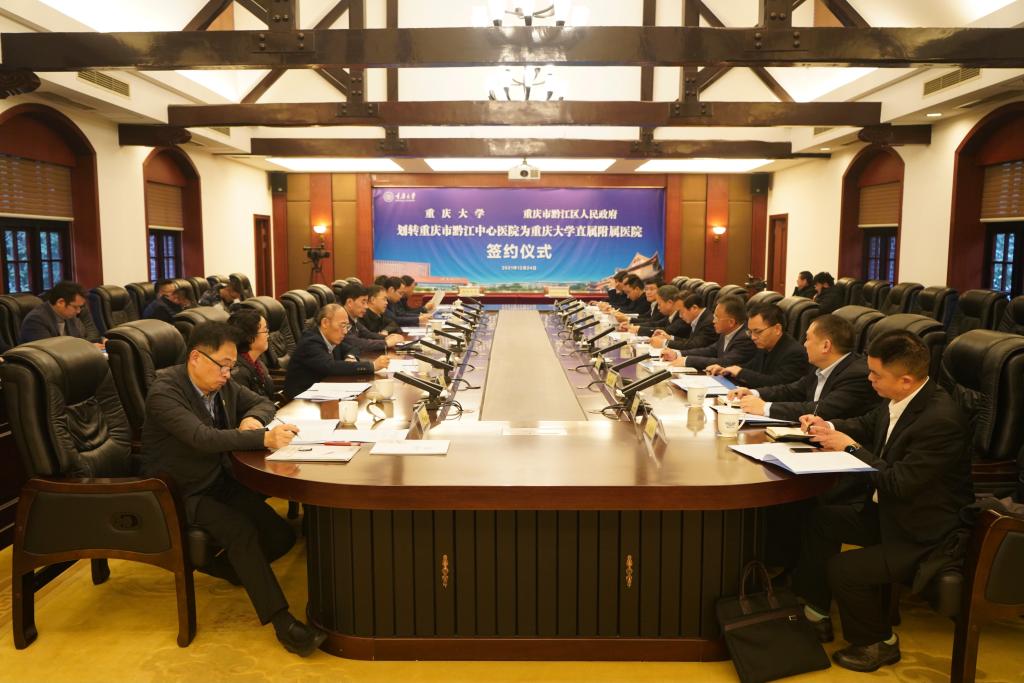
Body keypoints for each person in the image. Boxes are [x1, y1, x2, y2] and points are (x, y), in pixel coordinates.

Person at [139, 321, 326, 656]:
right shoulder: (165, 392)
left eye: (231, 367)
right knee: (241, 531)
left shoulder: (221, 383)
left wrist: (252, 419)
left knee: (281, 537)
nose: (228, 374)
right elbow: (201, 438)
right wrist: (262, 437)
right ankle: (284, 624)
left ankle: (230, 568)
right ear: (196, 358)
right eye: (222, 366)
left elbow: (264, 403)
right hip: (180, 491)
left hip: (218, 479)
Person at [794, 330, 972, 673]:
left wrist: (849, 448)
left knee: (844, 569)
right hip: (888, 513)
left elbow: (898, 484)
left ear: (905, 380)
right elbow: (866, 423)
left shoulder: (941, 421)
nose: (869, 379)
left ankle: (880, 642)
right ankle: (816, 612)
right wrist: (826, 426)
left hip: (924, 531)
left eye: (876, 374)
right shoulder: (900, 399)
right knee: (822, 519)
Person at [728, 314, 880, 422]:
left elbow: (821, 410)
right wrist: (754, 393)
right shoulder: (819, 367)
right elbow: (792, 390)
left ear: (826, 346)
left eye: (807, 338)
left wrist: (765, 408)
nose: (804, 344)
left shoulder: (856, 375)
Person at [285, 303, 390, 397]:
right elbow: (330, 366)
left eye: (347, 326)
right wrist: (372, 366)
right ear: (325, 323)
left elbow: (353, 348)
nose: (345, 331)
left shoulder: (331, 338)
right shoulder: (310, 342)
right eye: (342, 325)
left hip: (324, 392)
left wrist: (350, 357)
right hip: (302, 400)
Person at [706, 303, 809, 388]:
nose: (753, 337)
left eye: (758, 331)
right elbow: (752, 368)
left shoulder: (794, 353)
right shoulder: (764, 345)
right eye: (750, 332)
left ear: (777, 329)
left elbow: (776, 383)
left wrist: (741, 372)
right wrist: (725, 370)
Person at [667, 296, 756, 371]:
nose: (713, 321)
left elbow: (726, 362)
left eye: (717, 317)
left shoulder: (745, 338)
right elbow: (711, 350)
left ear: (731, 322)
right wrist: (678, 354)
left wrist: (687, 361)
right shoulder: (726, 331)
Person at [19, 280, 105, 348]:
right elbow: (50, 350)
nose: (78, 311)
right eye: (75, 307)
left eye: (80, 307)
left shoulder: (68, 315)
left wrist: (100, 341)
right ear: (60, 302)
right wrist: (88, 348)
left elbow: (79, 340)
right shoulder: (36, 320)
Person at [338, 283, 405, 353]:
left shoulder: (353, 318)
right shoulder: (340, 319)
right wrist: (386, 343)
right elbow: (355, 343)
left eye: (366, 302)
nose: (366, 306)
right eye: (363, 302)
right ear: (349, 302)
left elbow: (367, 334)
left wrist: (387, 337)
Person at [228, 308, 275, 400]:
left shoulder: (257, 362)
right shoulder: (238, 373)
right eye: (265, 330)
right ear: (250, 337)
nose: (268, 335)